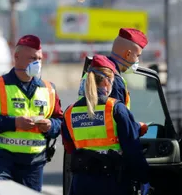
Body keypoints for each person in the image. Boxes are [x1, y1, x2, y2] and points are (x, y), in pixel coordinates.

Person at [0, 35, 63, 192]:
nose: (37, 63)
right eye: (32, 58)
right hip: (3, 161)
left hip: (34, 165)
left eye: (40, 59)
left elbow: (60, 121)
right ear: (16, 57)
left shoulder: (49, 89)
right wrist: (14, 123)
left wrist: (50, 126)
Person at [62, 54, 151, 195]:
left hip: (81, 184)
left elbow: (69, 147)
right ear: (106, 81)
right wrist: (144, 178)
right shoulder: (116, 108)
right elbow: (132, 149)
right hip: (112, 183)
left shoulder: (70, 112)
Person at [78, 28, 148, 110]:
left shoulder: (90, 72)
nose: (137, 60)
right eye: (137, 56)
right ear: (128, 54)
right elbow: (118, 115)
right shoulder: (113, 79)